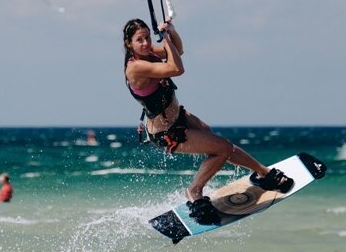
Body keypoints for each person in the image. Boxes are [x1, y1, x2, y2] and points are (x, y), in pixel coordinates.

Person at [123, 18, 293, 225]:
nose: (146, 43)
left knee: (218, 143)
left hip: (178, 118)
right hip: (167, 133)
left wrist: (171, 32)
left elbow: (178, 51)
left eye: (148, 37)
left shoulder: (149, 54)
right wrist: (165, 38)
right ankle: (194, 191)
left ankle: (262, 172)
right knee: (222, 148)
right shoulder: (136, 67)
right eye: (139, 40)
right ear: (129, 44)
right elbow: (176, 68)